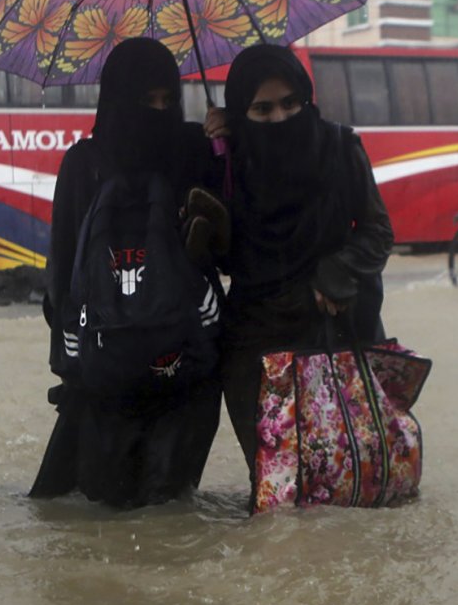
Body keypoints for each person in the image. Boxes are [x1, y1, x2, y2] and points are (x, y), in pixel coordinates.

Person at [30, 38, 224, 509]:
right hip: (111, 375)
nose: (158, 112)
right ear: (120, 99)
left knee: (161, 512)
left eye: (167, 100)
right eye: (146, 100)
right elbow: (64, 270)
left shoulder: (197, 153)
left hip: (183, 373)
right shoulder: (85, 164)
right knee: (117, 510)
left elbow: (228, 243)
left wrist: (227, 148)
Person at [211, 44, 394, 484]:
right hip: (253, 346)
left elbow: (378, 232)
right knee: (277, 498)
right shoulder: (229, 162)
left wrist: (334, 274)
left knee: (349, 484)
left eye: (291, 103)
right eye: (262, 109)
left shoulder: (339, 147)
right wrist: (211, 155)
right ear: (241, 112)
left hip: (332, 332)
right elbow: (218, 256)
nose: (280, 118)